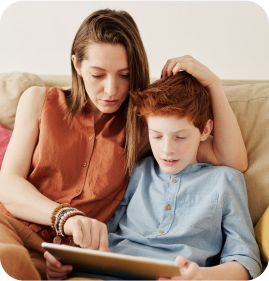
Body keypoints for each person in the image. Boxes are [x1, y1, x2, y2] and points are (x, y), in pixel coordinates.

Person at [0, 8, 248, 281]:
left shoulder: (148, 127)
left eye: (124, 75)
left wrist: (213, 83)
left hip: (67, 260)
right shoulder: (38, 100)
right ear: (77, 65)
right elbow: (7, 185)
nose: (111, 90)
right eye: (97, 75)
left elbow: (231, 160)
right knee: (6, 257)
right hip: (9, 228)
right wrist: (65, 217)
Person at [46, 71, 261, 281]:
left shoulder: (225, 180)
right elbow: (102, 235)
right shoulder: (138, 171)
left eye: (180, 137)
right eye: (157, 136)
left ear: (205, 130)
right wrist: (66, 265)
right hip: (108, 272)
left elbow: (245, 261)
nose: (167, 150)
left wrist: (201, 276)